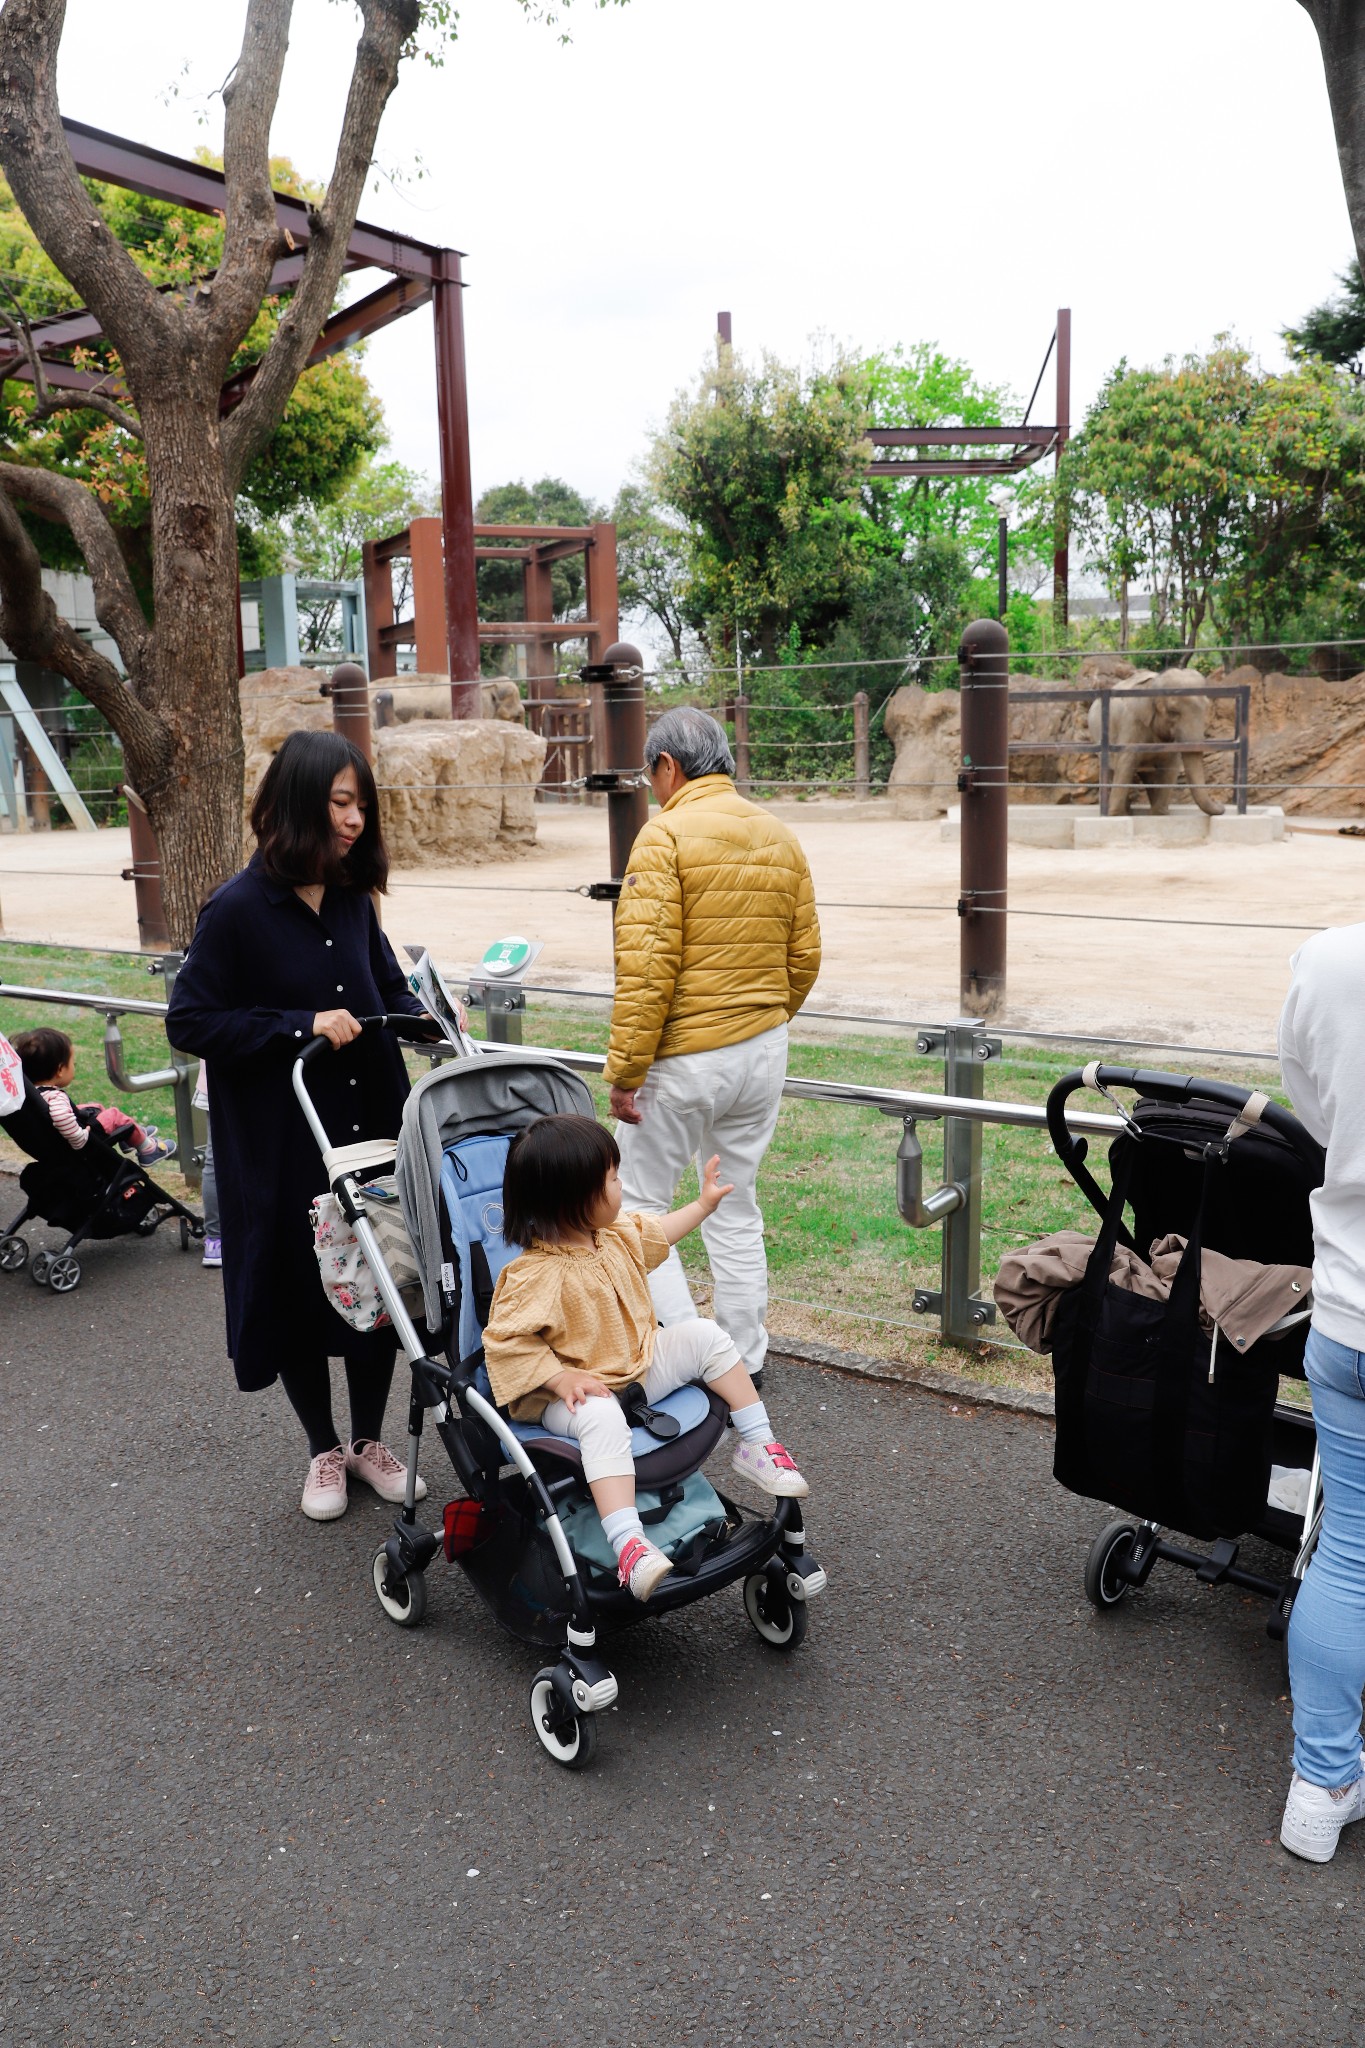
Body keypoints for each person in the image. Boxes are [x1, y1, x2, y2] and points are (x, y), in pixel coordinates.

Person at [166, 728, 432, 1523]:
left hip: (372, 1129)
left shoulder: (353, 898)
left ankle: (368, 1442)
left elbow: (386, 983)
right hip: (286, 1142)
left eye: (361, 805)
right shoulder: (237, 909)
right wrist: (299, 1025)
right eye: (340, 803)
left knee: (380, 1281)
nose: (354, 820)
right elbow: (191, 1020)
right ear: (298, 804)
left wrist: (426, 1017)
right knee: (298, 1290)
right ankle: (321, 1447)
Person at [482, 1113, 810, 1601]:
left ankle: (757, 1444)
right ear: (575, 1200)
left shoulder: (612, 1236)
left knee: (703, 1335)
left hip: (634, 1366)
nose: (621, 1185)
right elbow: (506, 1341)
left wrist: (703, 1204)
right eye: (612, 1179)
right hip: (572, 1394)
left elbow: (661, 1231)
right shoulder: (534, 1276)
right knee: (600, 1418)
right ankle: (629, 1545)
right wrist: (558, 1377)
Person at [604, 706, 821, 1375]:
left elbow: (646, 967)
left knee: (634, 1211)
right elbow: (804, 957)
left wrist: (625, 1069)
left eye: (650, 777)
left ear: (666, 766)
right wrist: (763, 1017)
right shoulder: (777, 834)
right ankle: (745, 1357)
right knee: (735, 1204)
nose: (651, 789)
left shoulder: (662, 837)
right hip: (761, 1048)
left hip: (684, 1056)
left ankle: (694, 1354)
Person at [1278, 921, 1365, 1861]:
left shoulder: (1328, 961)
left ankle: (1320, 1784)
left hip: (1346, 1312)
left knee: (1347, 1549)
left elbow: (1312, 1104)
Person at [11, 1026, 173, 1165]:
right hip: (83, 1142)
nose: (74, 1066)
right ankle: (148, 1148)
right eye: (72, 1062)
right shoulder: (55, 1097)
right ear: (60, 1070)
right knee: (115, 1116)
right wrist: (79, 1138)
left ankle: (132, 1136)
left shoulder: (31, 1094)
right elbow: (60, 1117)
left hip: (54, 1142)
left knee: (93, 1107)